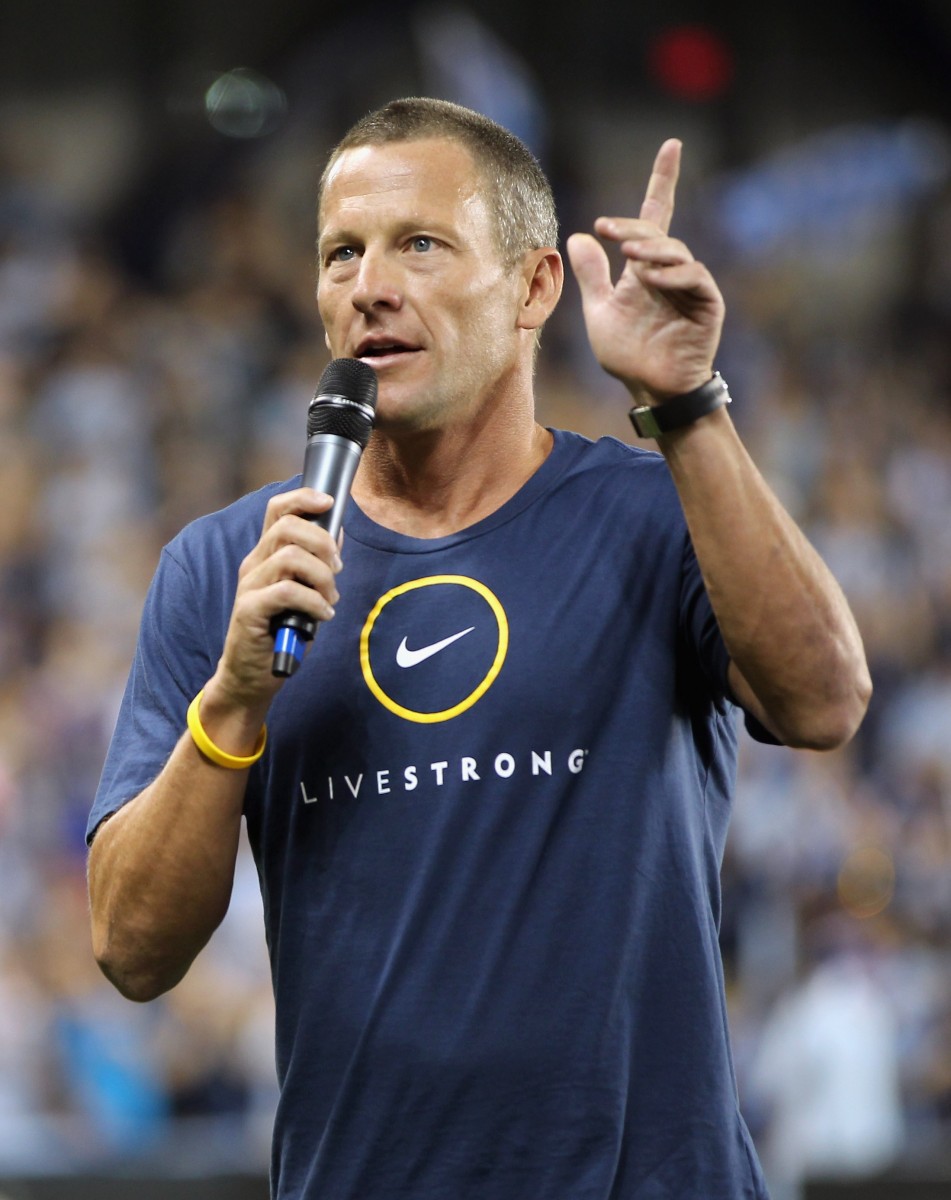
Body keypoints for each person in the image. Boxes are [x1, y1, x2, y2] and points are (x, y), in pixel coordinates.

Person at [87, 97, 871, 1199]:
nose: (370, 285)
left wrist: (688, 404)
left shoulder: (657, 515)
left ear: (535, 287)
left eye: (420, 243)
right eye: (341, 253)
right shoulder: (230, 573)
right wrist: (232, 705)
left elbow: (825, 703)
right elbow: (131, 949)